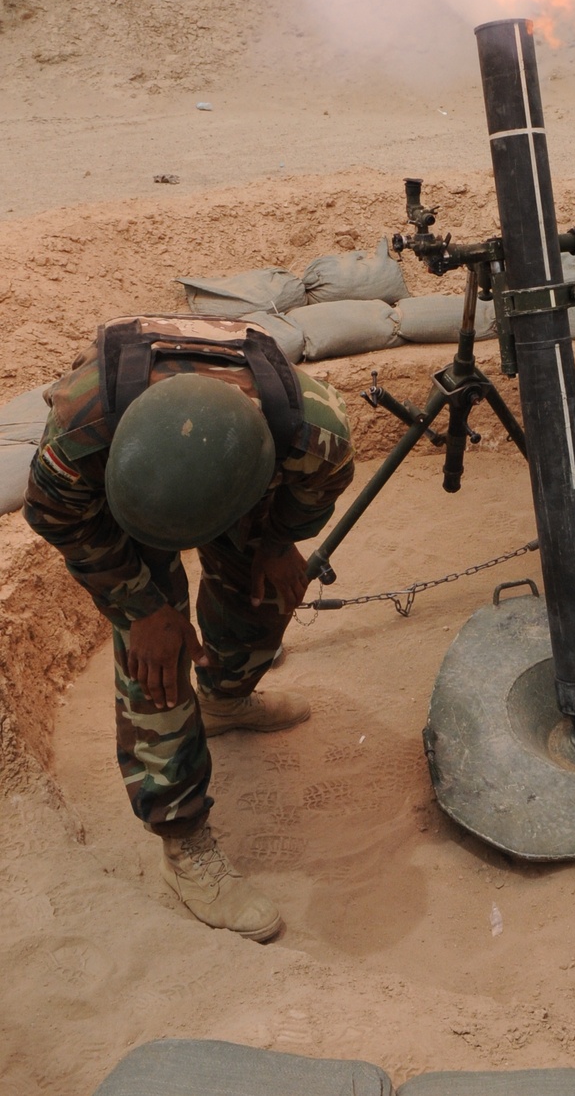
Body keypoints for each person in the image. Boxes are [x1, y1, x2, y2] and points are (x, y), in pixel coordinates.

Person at [23, 315, 354, 941]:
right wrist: (141, 608)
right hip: (135, 487)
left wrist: (277, 541)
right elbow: (60, 521)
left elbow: (315, 494)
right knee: (157, 652)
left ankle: (227, 698)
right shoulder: (78, 439)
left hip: (241, 468)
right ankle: (183, 845)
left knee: (261, 594)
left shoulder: (316, 435)